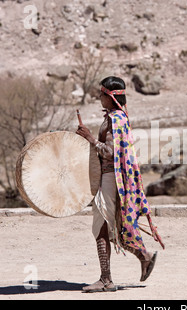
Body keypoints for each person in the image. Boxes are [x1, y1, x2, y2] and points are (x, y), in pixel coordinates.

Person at [76, 76, 164, 292]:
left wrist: (90, 139)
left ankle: (106, 280)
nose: (99, 97)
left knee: (102, 226)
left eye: (101, 94)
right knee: (110, 226)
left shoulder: (116, 120)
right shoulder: (116, 118)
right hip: (110, 181)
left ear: (110, 97)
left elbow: (113, 153)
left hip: (110, 179)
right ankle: (144, 256)